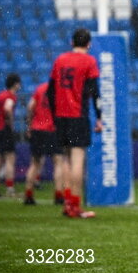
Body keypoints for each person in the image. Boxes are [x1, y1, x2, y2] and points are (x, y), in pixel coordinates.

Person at [48, 28, 103, 219]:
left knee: (65, 160)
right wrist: (99, 116)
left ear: (72, 42)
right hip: (78, 115)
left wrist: (55, 116)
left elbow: (50, 91)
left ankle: (67, 203)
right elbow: (95, 92)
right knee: (78, 159)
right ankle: (75, 206)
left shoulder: (60, 60)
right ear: (89, 44)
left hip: (61, 116)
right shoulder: (89, 61)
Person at [24, 80, 65, 206]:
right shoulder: (60, 90)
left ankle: (29, 195)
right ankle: (58, 196)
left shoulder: (40, 88)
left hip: (37, 129)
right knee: (58, 162)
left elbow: (30, 106)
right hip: (53, 130)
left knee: (35, 163)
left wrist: (30, 126)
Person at [0, 73, 21, 199]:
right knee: (10, 159)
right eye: (18, 83)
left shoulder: (0, 95)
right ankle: (10, 188)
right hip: (5, 130)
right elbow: (8, 109)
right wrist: (10, 123)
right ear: (15, 84)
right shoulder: (11, 96)